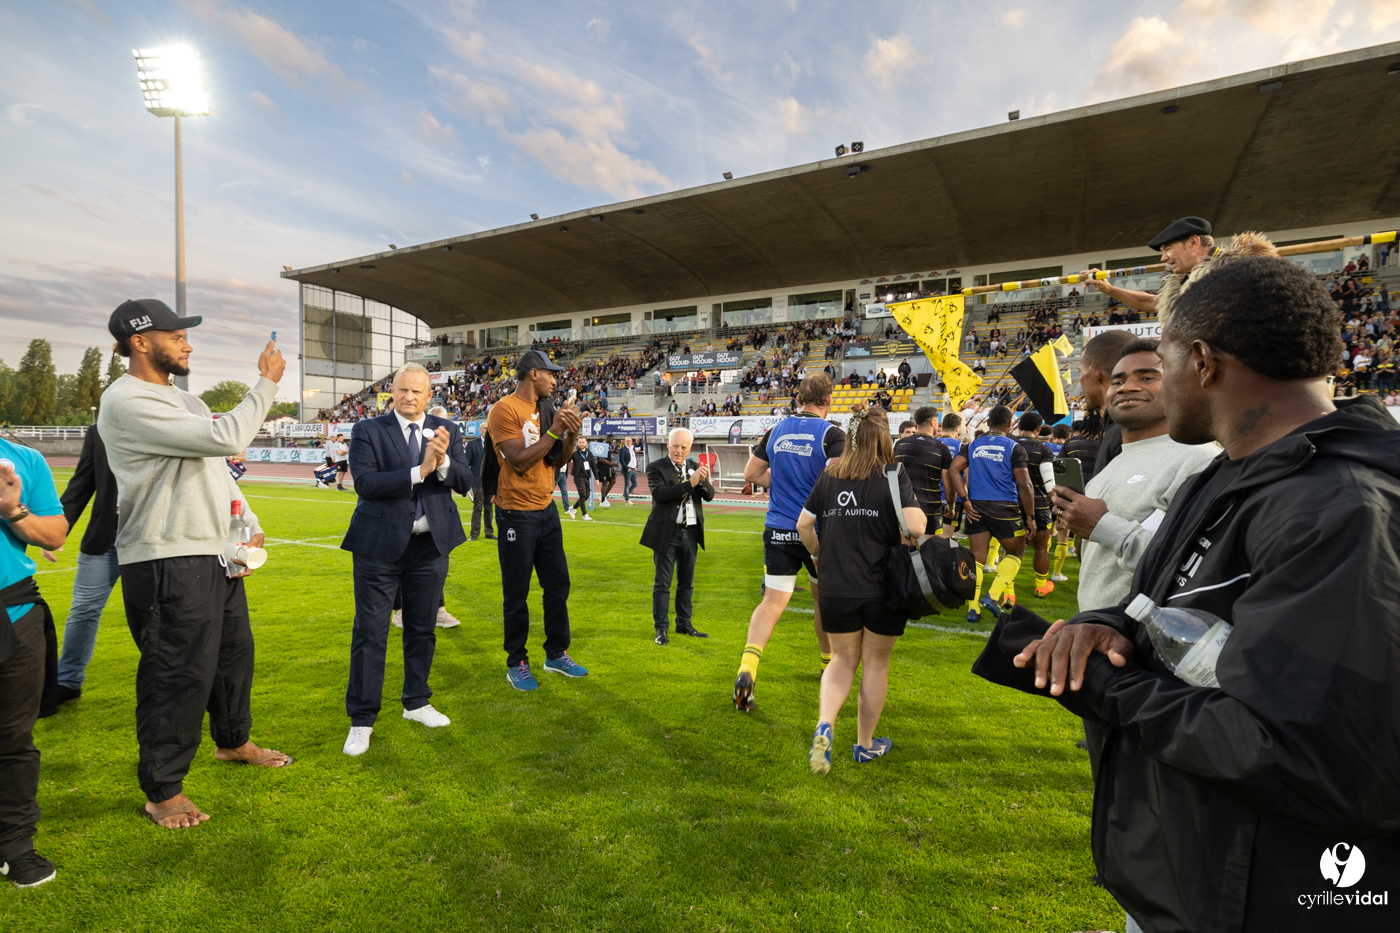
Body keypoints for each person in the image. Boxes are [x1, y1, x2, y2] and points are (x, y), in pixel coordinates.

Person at [1001, 256, 1400, 933]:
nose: (1155, 380)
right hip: (1193, 866)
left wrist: (1103, 684)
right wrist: (1110, 625)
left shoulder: (1340, 507)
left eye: (1163, 361)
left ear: (1203, 362)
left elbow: (1309, 754)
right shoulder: (1225, 476)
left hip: (1271, 890)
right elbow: (1174, 603)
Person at [98, 299, 290, 829]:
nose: (187, 344)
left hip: (213, 550)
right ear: (140, 342)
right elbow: (227, 438)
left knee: (232, 656)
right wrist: (266, 383)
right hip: (167, 555)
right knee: (176, 674)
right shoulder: (126, 400)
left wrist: (247, 522)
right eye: (176, 336)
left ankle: (233, 741)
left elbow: (215, 468)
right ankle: (163, 792)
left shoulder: (187, 400)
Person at [340, 366, 472, 757]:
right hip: (378, 546)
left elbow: (466, 481)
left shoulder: (448, 430)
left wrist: (443, 463)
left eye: (417, 391)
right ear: (392, 392)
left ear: (429, 395)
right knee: (370, 632)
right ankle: (362, 719)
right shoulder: (368, 430)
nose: (409, 397)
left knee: (422, 629)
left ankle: (416, 702)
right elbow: (365, 484)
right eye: (402, 390)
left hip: (430, 547)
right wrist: (420, 470)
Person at [797, 404, 925, 773]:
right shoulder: (892, 474)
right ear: (884, 439)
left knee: (841, 660)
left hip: (835, 586)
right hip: (883, 588)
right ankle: (864, 744)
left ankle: (825, 725)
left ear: (851, 438)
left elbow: (803, 525)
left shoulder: (830, 475)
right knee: (875, 664)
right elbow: (916, 527)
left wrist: (818, 553)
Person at [1052, 340, 1216, 613]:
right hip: (1097, 629)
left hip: (1142, 635)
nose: (1126, 387)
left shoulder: (1200, 461)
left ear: (1179, 383)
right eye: (1117, 381)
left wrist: (1101, 524)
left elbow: (1198, 566)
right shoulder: (1114, 463)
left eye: (1146, 377)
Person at [734, 373, 844, 711]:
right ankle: (827, 666)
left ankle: (747, 667)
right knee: (822, 603)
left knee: (772, 601)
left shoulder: (776, 430)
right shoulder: (832, 434)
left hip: (778, 529)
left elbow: (751, 474)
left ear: (798, 399)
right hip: (817, 532)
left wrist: (780, 483)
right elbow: (837, 481)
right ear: (828, 401)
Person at [487, 350, 589, 691]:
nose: (555, 381)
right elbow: (518, 462)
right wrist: (556, 430)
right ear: (534, 373)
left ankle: (556, 654)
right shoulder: (504, 409)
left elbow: (557, 460)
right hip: (516, 512)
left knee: (558, 585)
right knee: (517, 593)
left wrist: (570, 434)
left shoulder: (546, 408)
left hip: (546, 509)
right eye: (551, 373)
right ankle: (516, 661)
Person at [0, 435, 68, 887]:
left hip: (15, 612)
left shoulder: (24, 458)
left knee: (12, 736)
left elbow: (55, 535)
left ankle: (14, 844)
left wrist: (13, 510)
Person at [45, 424, 119, 706]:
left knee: (153, 613)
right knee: (84, 608)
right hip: (104, 536)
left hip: (150, 538)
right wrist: (57, 530)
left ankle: (165, 683)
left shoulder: (162, 423)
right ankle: (68, 682)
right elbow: (81, 483)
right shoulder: (99, 431)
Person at [948, 405, 1036, 621]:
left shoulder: (973, 445)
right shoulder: (1014, 447)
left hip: (976, 507)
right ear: (1010, 424)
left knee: (977, 559)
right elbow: (1025, 484)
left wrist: (965, 500)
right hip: (1004, 508)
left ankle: (973, 609)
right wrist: (1031, 517)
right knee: (1015, 553)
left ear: (987, 423)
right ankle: (993, 596)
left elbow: (953, 469)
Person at [641, 428, 714, 644]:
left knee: (686, 583)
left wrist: (701, 480)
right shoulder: (656, 467)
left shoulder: (694, 467)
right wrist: (690, 483)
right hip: (667, 533)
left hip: (691, 533)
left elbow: (710, 495)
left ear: (689, 448)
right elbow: (660, 494)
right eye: (675, 446)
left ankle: (684, 624)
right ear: (668, 445)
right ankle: (661, 629)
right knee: (662, 584)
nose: (679, 451)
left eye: (683, 447)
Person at [1012, 412, 1057, 599]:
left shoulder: (1010, 444)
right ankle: (1040, 587)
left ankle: (1008, 591)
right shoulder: (1043, 449)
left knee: (1011, 550)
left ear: (1019, 426)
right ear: (1039, 429)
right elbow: (1049, 482)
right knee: (1041, 548)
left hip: (1011, 504)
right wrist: (1058, 505)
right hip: (1039, 504)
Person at [893, 406, 952, 537]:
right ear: (933, 422)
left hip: (904, 507)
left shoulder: (900, 445)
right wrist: (951, 506)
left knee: (905, 547)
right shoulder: (941, 448)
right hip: (930, 509)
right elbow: (948, 486)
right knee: (930, 548)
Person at [464, 429, 494, 541]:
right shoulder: (472, 444)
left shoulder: (494, 443)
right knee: (478, 506)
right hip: (477, 480)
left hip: (490, 481)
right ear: (480, 430)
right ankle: (474, 534)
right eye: (485, 428)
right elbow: (466, 463)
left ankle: (489, 532)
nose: (487, 430)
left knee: (489, 507)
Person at [567, 436, 595, 522]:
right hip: (578, 477)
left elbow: (593, 466)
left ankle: (573, 508)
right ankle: (584, 515)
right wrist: (569, 453)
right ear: (577, 443)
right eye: (580, 442)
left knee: (586, 496)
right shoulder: (575, 453)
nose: (581, 444)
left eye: (583, 442)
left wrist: (597, 478)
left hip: (587, 477)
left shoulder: (589, 454)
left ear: (586, 443)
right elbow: (567, 461)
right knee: (582, 495)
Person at [618, 437, 640, 504]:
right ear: (625, 441)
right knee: (627, 485)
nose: (628, 442)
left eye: (629, 441)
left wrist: (636, 466)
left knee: (635, 484)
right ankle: (627, 500)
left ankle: (625, 495)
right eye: (627, 441)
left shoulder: (633, 448)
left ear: (632, 441)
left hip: (634, 469)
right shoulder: (623, 449)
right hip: (628, 469)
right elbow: (621, 460)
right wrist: (627, 468)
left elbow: (634, 458)